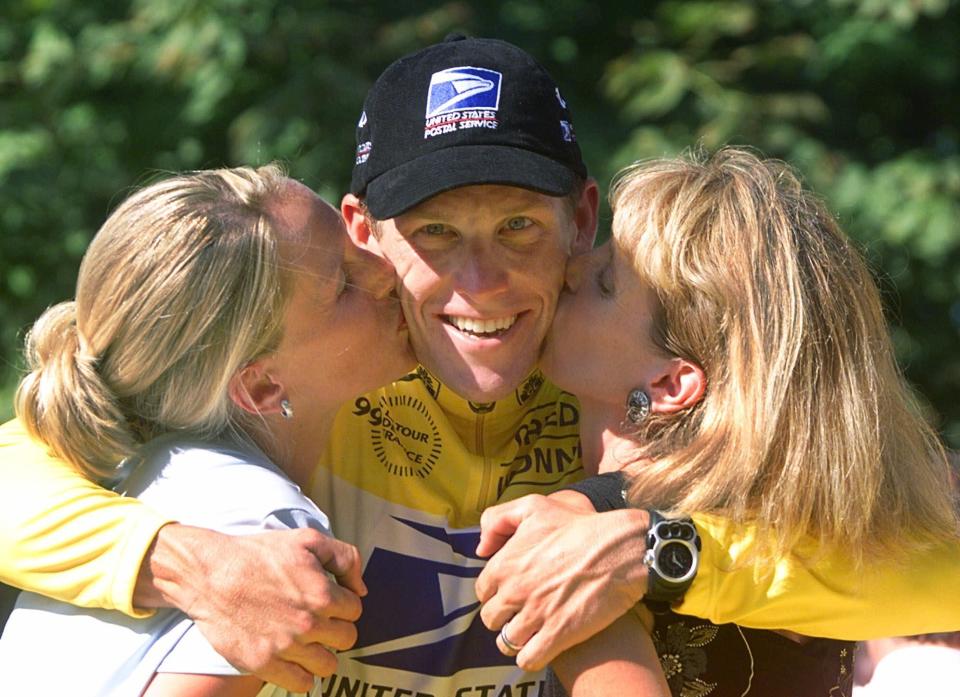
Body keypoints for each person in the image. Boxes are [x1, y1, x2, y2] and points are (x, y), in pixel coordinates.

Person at [1, 34, 960, 696]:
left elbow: (925, 553)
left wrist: (661, 552)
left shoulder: (623, 401)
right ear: (360, 232)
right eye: (433, 234)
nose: (480, 281)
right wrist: (177, 559)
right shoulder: (303, 384)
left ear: (582, 222)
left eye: (518, 227)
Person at [520, 147, 957, 696]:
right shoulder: (823, 526)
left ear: (670, 384)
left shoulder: (591, 551)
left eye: (606, 283)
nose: (572, 267)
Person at [0, 164, 414, 695]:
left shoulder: (118, 470)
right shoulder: (261, 534)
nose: (387, 270)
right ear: (261, 387)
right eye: (344, 285)